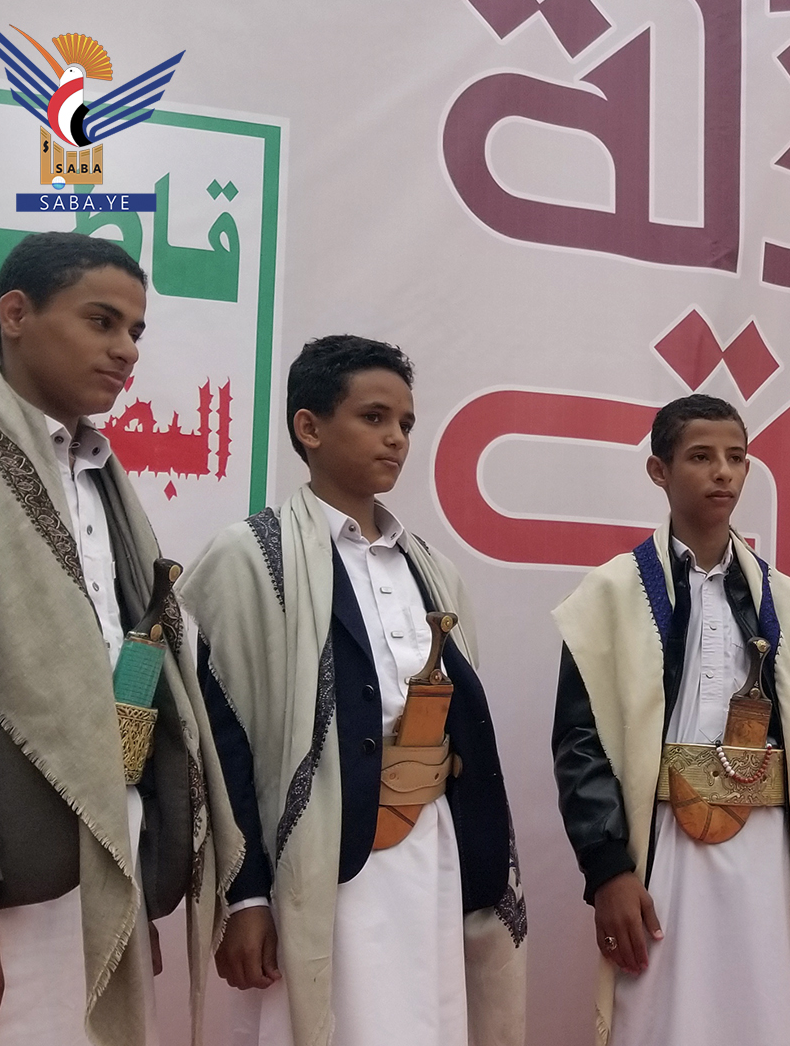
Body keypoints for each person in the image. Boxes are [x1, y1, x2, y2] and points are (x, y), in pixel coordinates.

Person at [0, 231, 241, 1046]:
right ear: (16, 314)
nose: (126, 350)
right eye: (101, 321)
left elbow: (132, 667)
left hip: (101, 868)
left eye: (136, 332)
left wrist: (130, 881)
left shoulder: (102, 477)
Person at [180, 335, 525, 1046]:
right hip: (321, 865)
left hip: (433, 851)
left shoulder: (431, 569)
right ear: (309, 427)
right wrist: (245, 896)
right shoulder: (251, 559)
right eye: (374, 417)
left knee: (429, 1023)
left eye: (405, 423)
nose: (396, 438)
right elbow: (223, 742)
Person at [550, 393, 790, 1046]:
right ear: (658, 470)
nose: (723, 472)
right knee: (661, 1017)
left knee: (767, 1016)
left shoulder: (787, 600)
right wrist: (607, 868)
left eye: (736, 458)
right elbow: (581, 742)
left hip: (768, 858)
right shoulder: (611, 593)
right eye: (701, 457)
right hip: (663, 853)